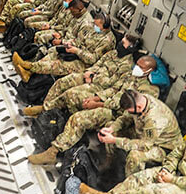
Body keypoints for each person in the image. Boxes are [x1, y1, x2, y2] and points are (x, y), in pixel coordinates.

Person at [28, 56, 161, 165]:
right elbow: (114, 89)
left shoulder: (150, 90)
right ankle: (56, 135)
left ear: (149, 71)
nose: (136, 68)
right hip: (108, 106)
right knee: (74, 98)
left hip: (120, 116)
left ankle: (53, 152)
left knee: (79, 119)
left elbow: (128, 110)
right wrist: (96, 98)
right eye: (137, 64)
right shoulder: (130, 77)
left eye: (141, 67)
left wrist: (100, 105)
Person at [98, 89, 183, 177]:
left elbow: (145, 145)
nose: (129, 112)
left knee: (135, 156)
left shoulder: (154, 119)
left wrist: (115, 140)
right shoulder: (139, 99)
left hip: (164, 147)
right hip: (144, 134)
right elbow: (125, 118)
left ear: (138, 107)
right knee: (110, 127)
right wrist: (112, 128)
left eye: (130, 111)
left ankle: (131, 182)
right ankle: (111, 161)